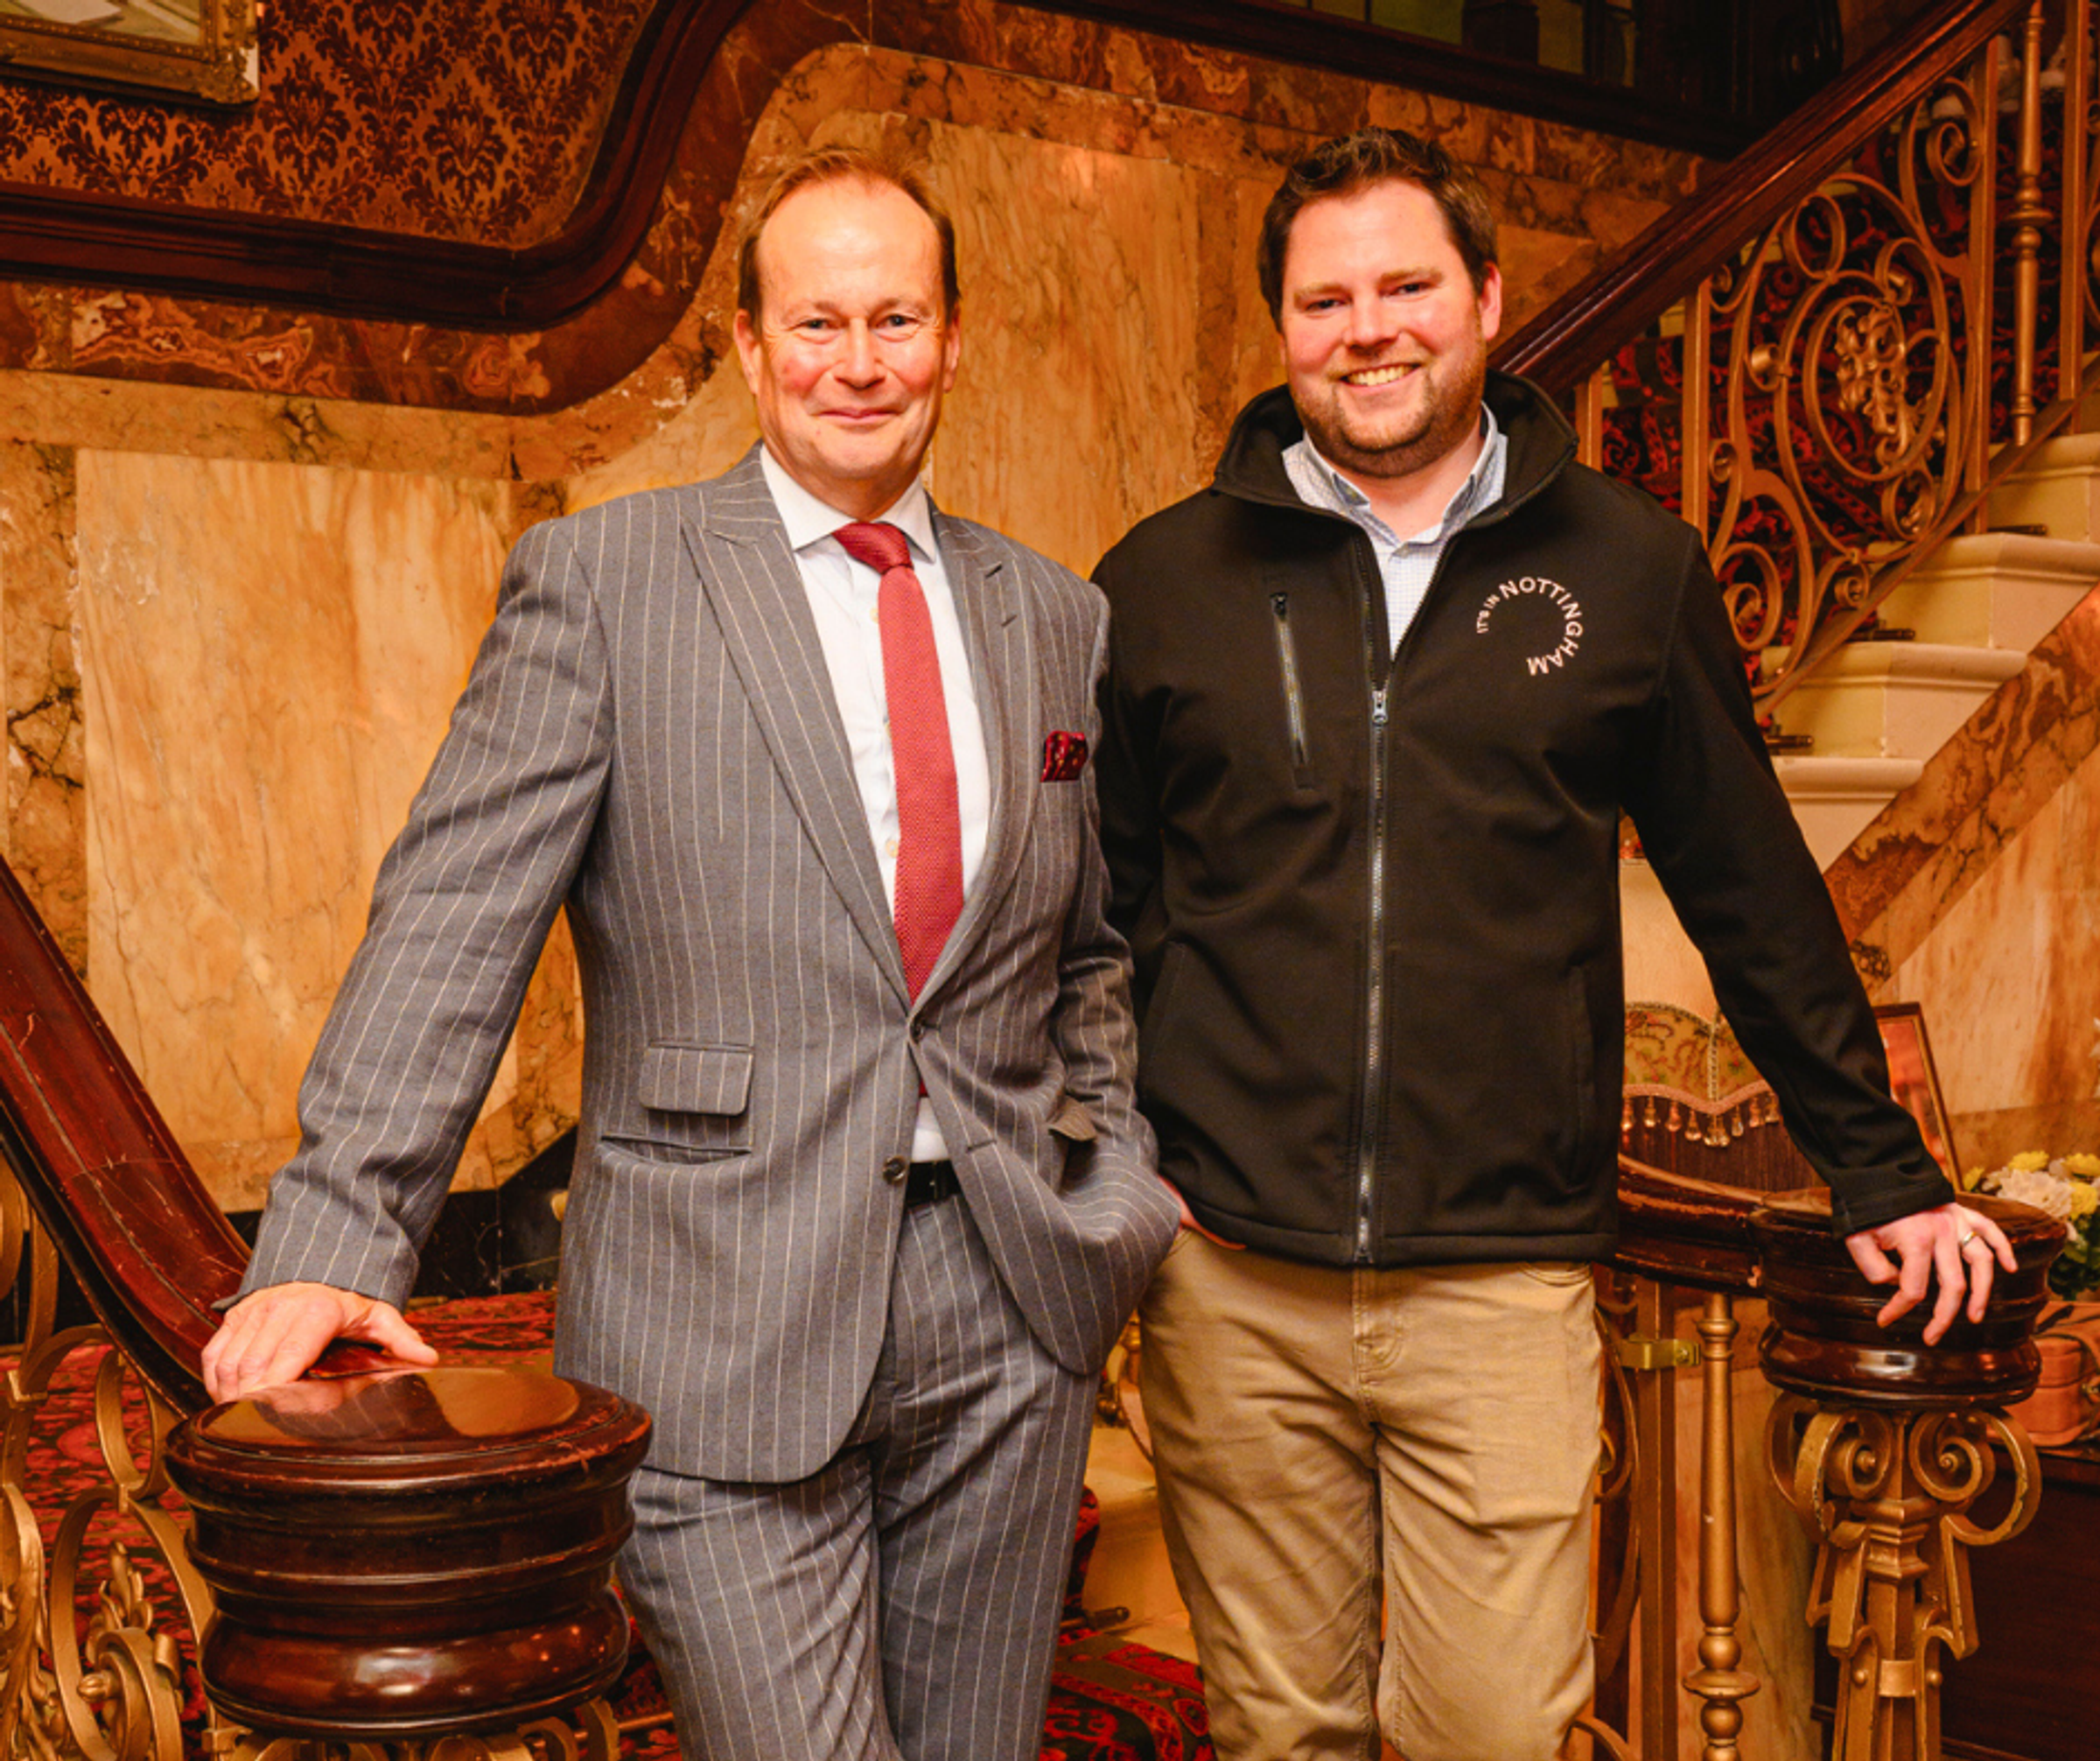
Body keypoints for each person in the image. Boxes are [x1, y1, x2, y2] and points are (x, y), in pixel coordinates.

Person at [201, 144, 1180, 1761]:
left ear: (954, 338)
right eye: (814, 325)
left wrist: (1108, 1173)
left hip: (1007, 1310)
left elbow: (1086, 949)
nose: (856, 365)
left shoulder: (1053, 612)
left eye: (895, 320)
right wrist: (338, 1230)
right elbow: (457, 915)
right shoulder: (607, 583)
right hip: (718, 1317)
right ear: (744, 344)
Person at [1090, 126, 2015, 1761]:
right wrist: (1109, 1147)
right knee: (1277, 1736)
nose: (1368, 329)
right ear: (1282, 327)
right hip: (1231, 1278)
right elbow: (1099, 905)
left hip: (1500, 1291)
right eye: (1326, 299)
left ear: (1488, 299)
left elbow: (1747, 885)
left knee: (1500, 1734)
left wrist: (1883, 1171)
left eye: (1407, 286)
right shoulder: (1163, 580)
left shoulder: (1627, 566)